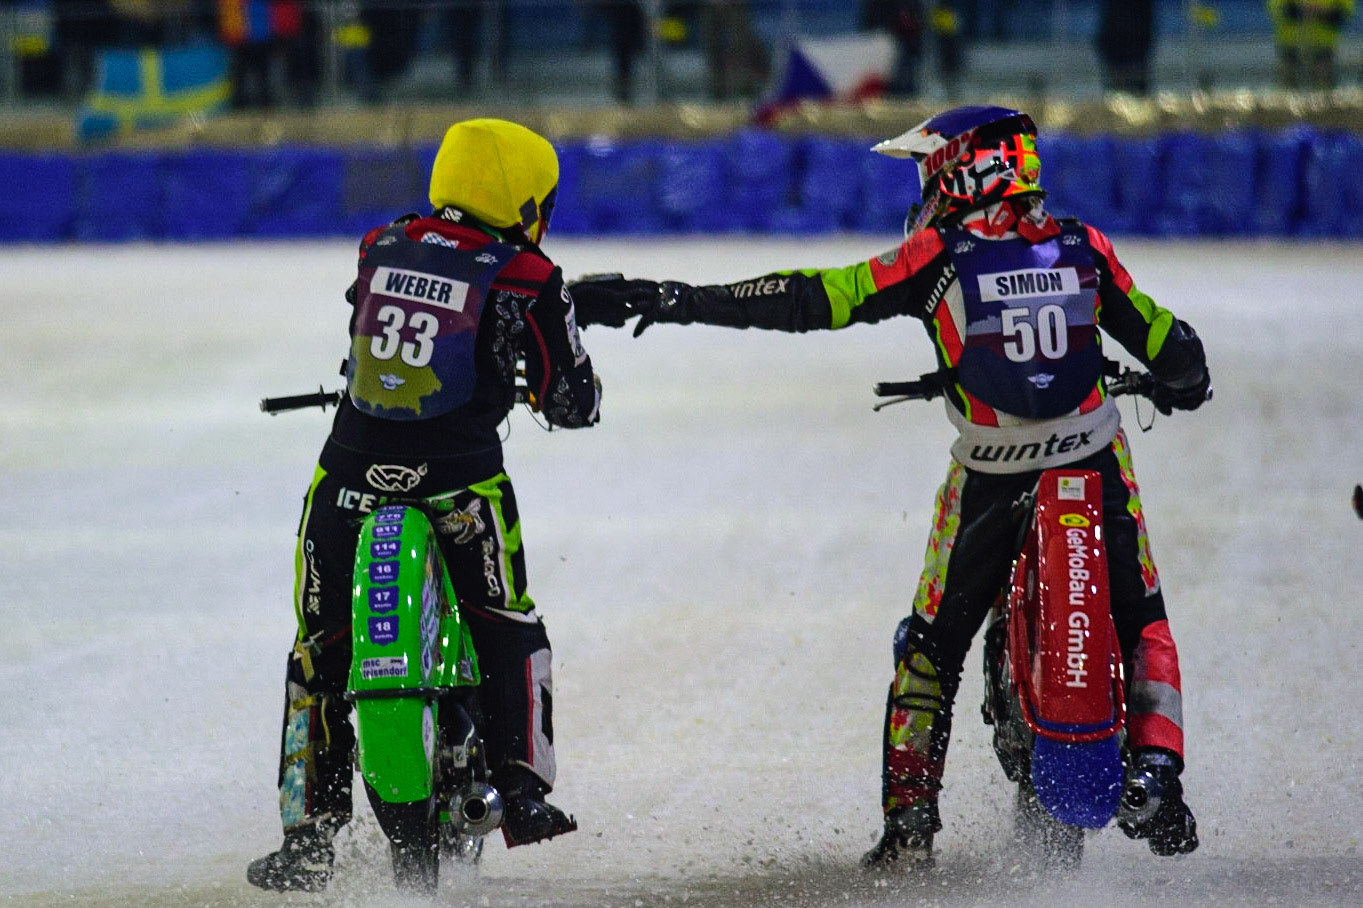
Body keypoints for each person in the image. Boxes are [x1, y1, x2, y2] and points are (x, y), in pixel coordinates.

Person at [569, 105, 1207, 869]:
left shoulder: (940, 255)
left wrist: (675, 298)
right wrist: (1182, 382)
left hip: (991, 474)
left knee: (931, 648)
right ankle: (1159, 771)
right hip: (1093, 464)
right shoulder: (1083, 248)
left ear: (959, 170)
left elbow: (814, 297)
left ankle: (908, 826)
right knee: (1144, 622)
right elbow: (1169, 343)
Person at [247, 118, 598, 892]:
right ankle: (524, 794)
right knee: (507, 623)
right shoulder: (528, 273)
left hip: (349, 477)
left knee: (319, 646)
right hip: (458, 480)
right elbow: (571, 399)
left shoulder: (381, 244)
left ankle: (306, 837)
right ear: (525, 196)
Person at [1269, 0, 1356, 90]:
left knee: (1323, 91)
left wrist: (1321, 11)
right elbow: (1279, 8)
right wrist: (1302, 9)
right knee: (1286, 92)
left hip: (1323, 51)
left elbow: (1343, 13)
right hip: (1291, 49)